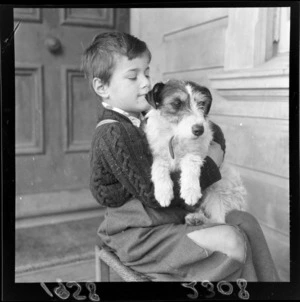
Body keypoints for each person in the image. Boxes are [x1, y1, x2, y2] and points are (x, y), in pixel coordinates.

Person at [82, 31, 280, 282]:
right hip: (139, 234)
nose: (145, 83)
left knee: (246, 222)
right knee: (233, 239)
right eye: (133, 76)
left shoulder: (149, 113)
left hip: (166, 218)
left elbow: (209, 129)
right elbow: (153, 194)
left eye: (147, 73)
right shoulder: (114, 133)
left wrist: (212, 143)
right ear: (102, 87)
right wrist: (211, 164)